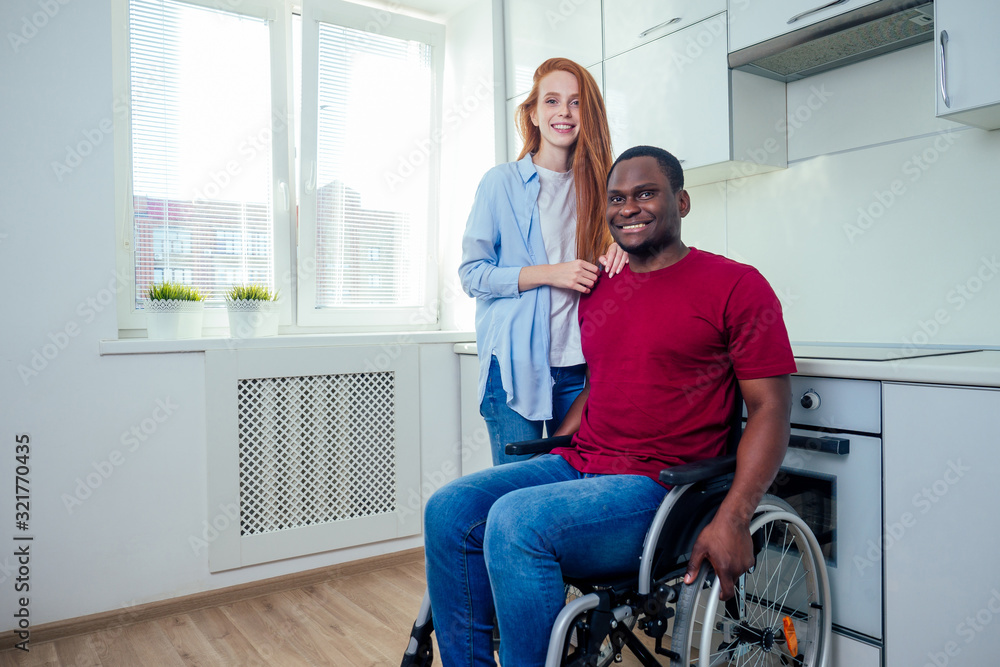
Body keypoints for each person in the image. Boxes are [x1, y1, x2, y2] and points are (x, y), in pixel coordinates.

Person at [425, 145, 797, 666]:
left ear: (682, 202)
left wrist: (733, 517)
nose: (629, 207)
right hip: (582, 464)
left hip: (661, 488)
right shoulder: (602, 287)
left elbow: (770, 410)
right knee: (449, 510)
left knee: (515, 522)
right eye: (617, 198)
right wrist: (557, 445)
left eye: (646, 193)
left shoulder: (737, 285)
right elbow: (607, 381)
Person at [458, 57, 626, 466]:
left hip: (580, 371)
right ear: (533, 113)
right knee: (515, 491)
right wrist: (552, 274)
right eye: (551, 101)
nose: (563, 113)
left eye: (575, 102)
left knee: (570, 488)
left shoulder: (603, 189)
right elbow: (472, 274)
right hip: (515, 367)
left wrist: (624, 246)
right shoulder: (501, 183)